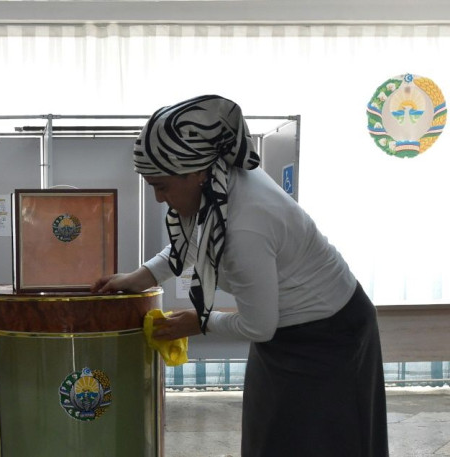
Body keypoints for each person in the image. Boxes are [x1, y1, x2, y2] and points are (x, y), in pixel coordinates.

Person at [92, 95, 389, 456]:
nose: (157, 199)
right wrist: (142, 276)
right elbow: (197, 238)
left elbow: (258, 326)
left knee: (322, 443)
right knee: (270, 437)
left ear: (198, 172)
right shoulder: (220, 185)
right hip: (286, 334)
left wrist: (199, 322)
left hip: (332, 338)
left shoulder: (247, 224)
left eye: (162, 186)